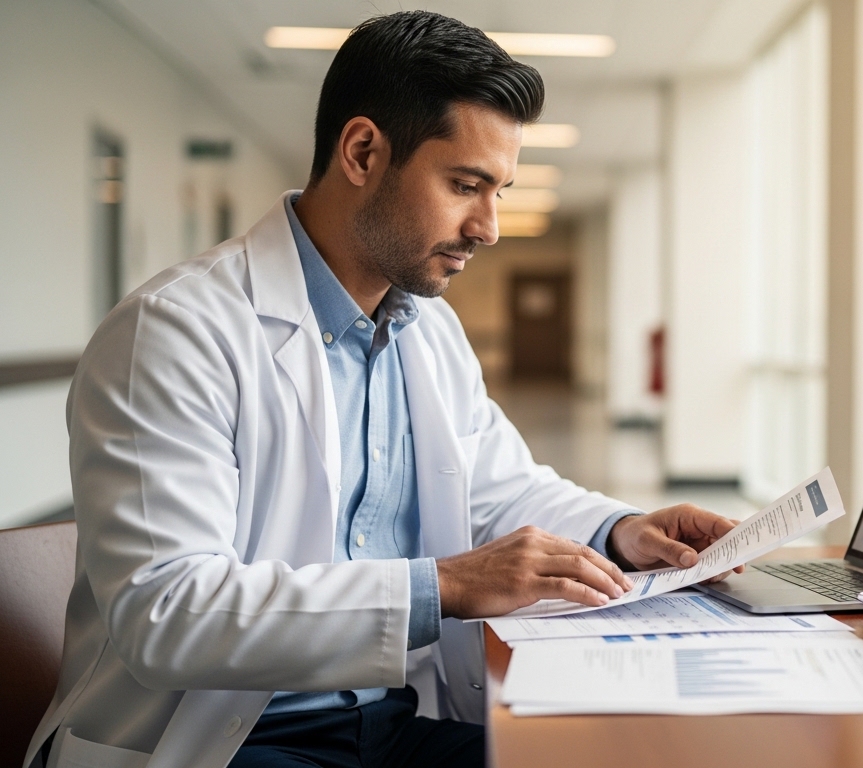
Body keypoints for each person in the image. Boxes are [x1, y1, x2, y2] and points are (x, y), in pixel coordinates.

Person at [24, 11, 740, 768]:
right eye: (467, 185)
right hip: (220, 741)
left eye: (499, 191)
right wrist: (445, 587)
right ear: (363, 151)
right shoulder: (173, 333)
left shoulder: (423, 329)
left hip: (382, 725)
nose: (489, 226)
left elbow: (500, 489)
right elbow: (168, 614)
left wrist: (622, 532)